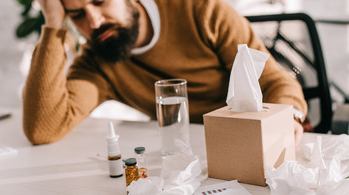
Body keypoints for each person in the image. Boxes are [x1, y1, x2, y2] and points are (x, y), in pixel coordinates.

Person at [23, 0, 307, 146]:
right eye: (77, 15)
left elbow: (274, 81)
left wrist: (288, 116)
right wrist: (52, 25)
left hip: (247, 143)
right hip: (184, 159)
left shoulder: (202, 11)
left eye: (100, 1)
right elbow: (43, 129)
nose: (94, 22)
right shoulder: (98, 59)